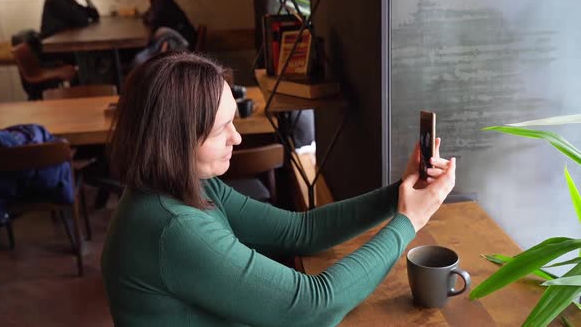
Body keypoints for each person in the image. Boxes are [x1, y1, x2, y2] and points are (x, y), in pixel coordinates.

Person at [101, 51, 456, 326]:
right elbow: (313, 308)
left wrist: (401, 192)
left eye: (233, 121)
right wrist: (408, 222)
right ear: (171, 142)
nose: (236, 138)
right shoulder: (172, 227)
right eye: (218, 130)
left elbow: (301, 230)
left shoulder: (191, 184)